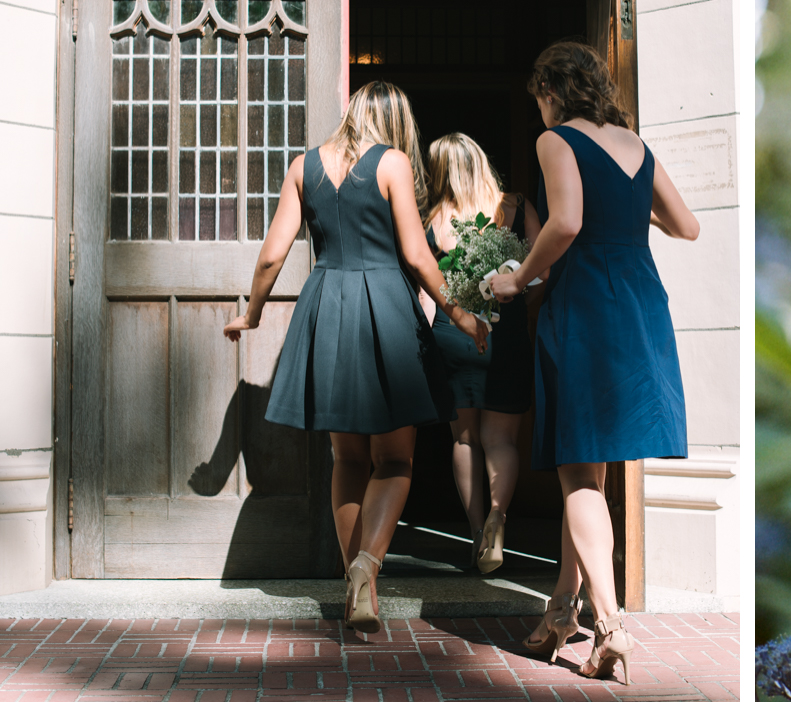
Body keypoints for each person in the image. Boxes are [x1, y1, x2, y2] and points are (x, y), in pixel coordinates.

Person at [222, 81, 487, 636]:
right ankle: (367, 568)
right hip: (386, 307)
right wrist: (460, 314)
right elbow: (416, 255)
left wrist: (252, 314)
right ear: (395, 122)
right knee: (396, 461)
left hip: (327, 308)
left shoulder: (302, 167)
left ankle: (353, 578)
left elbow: (273, 254)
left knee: (348, 460)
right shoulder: (390, 163)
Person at [487, 40, 699, 685]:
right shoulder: (637, 145)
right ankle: (559, 612)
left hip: (584, 307)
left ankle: (609, 629)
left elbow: (568, 221)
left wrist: (517, 277)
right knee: (595, 479)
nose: (541, 110)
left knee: (579, 476)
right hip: (638, 303)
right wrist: (632, 216)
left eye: (540, 98)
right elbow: (686, 226)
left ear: (551, 91)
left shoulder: (557, 141)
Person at [421, 132, 542, 573]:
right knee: (502, 440)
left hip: (452, 335)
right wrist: (514, 307)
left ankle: (476, 536)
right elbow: (542, 270)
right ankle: (497, 516)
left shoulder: (434, 220)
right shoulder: (517, 207)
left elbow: (425, 290)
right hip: (505, 334)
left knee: (465, 439)